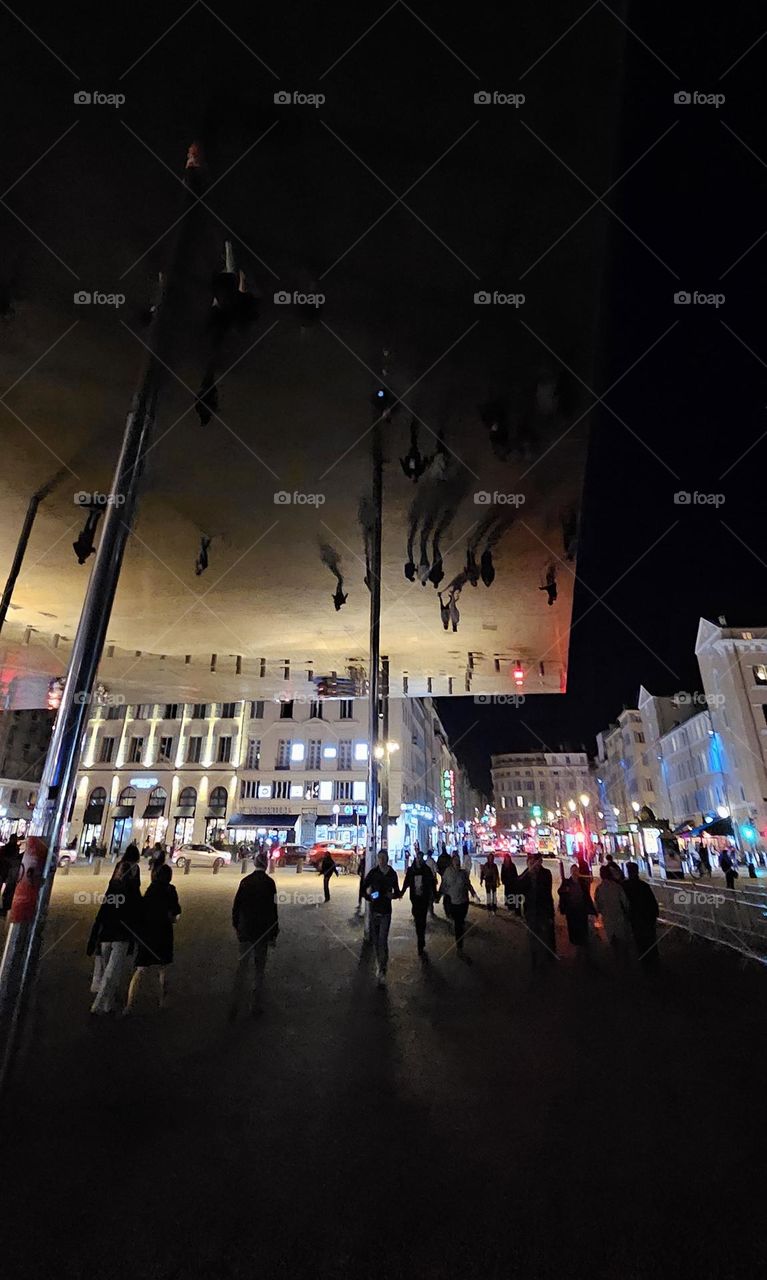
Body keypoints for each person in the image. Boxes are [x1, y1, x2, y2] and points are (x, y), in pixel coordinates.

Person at [87, 848, 143, 1015]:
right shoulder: (132, 894)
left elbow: (103, 911)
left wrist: (95, 935)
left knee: (109, 971)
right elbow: (136, 914)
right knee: (111, 973)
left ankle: (106, 1005)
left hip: (108, 932)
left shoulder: (114, 889)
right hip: (120, 935)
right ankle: (98, 1006)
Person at [125, 864, 181, 1012]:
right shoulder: (170, 890)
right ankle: (162, 1001)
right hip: (164, 933)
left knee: (140, 970)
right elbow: (175, 913)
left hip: (147, 934)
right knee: (163, 969)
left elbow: (141, 911)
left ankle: (129, 1004)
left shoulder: (151, 890)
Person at [230, 851, 279, 1019]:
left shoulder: (245, 881)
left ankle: (235, 1004)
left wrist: (237, 925)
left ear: (255, 863)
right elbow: (273, 910)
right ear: (266, 865)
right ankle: (255, 1005)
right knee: (259, 969)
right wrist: (273, 933)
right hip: (262, 932)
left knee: (242, 967)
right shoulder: (269, 883)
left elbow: (236, 906)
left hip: (245, 929)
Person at [362, 851, 400, 985]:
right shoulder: (373, 873)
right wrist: (370, 897)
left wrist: (393, 895)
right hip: (375, 911)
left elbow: (397, 891)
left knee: (383, 940)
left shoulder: (392, 874)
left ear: (387, 859)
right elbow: (363, 888)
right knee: (377, 940)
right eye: (380, 858)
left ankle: (382, 968)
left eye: (384, 858)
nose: (382, 860)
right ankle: (380, 963)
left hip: (386, 912)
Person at [518, 852, 556, 968]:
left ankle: (545, 959)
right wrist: (528, 873)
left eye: (537, 861)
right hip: (531, 912)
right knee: (532, 937)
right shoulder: (527, 874)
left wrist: (550, 914)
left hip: (543, 911)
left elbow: (547, 894)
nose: (535, 864)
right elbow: (518, 887)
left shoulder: (546, 873)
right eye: (533, 862)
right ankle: (534, 959)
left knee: (544, 935)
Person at [438, 852, 478, 956]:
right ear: (452, 862)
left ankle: (459, 943)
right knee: (458, 924)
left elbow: (468, 885)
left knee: (460, 923)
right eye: (456, 860)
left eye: (458, 861)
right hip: (453, 903)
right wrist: (439, 895)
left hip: (463, 902)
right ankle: (459, 946)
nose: (458, 862)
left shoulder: (463, 873)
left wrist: (474, 894)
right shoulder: (448, 872)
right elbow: (443, 885)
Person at [401, 848, 437, 957]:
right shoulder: (412, 870)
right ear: (416, 858)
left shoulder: (426, 870)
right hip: (415, 899)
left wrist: (435, 895)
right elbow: (406, 882)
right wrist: (401, 892)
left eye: (421, 858)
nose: (420, 860)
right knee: (418, 920)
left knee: (423, 920)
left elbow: (432, 883)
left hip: (424, 899)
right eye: (418, 858)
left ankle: (421, 941)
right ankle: (420, 939)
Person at [623, 863, 660, 968]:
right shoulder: (643, 886)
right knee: (650, 940)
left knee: (640, 940)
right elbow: (652, 902)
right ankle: (653, 961)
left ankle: (646, 962)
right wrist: (654, 914)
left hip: (635, 917)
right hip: (646, 917)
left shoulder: (625, 886)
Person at [557, 862, 595, 953]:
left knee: (582, 927)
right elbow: (560, 891)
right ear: (571, 872)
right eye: (573, 871)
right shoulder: (567, 882)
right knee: (573, 927)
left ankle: (583, 944)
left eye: (576, 870)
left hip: (581, 909)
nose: (575, 872)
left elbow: (587, 896)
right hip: (572, 910)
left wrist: (592, 909)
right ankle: (576, 944)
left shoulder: (582, 883)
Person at [594, 865, 632, 951]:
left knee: (613, 943)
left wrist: (599, 913)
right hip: (619, 917)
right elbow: (625, 902)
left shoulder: (599, 889)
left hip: (607, 918)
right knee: (623, 943)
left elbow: (597, 905)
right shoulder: (617, 887)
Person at [0, 834, 22, 916]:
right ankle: (5, 909)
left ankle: (5, 909)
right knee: (8, 891)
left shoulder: (11, 848)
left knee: (8, 892)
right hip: (5, 872)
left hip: (8, 872)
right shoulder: (7, 848)